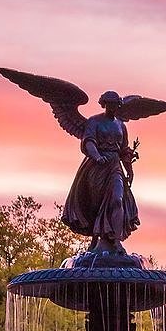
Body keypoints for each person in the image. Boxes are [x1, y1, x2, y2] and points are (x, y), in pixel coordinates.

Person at [61, 91, 139, 252]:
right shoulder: (94, 121)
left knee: (117, 199)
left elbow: (123, 150)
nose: (112, 107)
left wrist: (129, 169)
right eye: (109, 104)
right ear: (104, 104)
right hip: (96, 167)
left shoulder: (121, 125)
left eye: (115, 104)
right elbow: (88, 141)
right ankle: (95, 238)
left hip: (114, 166)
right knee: (95, 204)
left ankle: (116, 240)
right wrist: (97, 156)